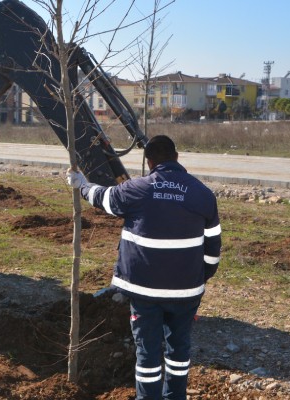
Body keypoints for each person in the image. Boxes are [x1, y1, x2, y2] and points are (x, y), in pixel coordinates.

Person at [67, 135, 221, 400]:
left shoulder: (136, 189)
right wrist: (198, 278)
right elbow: (213, 249)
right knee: (179, 350)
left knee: (148, 353)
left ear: (149, 162)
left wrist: (81, 184)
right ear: (177, 158)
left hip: (144, 292)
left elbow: (102, 198)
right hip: (186, 292)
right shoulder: (203, 194)